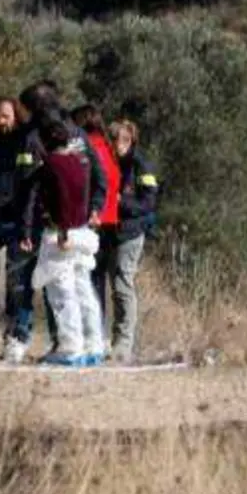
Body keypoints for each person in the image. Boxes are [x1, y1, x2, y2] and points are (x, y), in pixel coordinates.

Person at [5, 80, 107, 359]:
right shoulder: (78, 134)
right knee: (79, 285)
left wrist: (24, 228)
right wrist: (95, 208)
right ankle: (89, 343)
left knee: (47, 286)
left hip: (47, 224)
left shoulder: (33, 137)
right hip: (78, 224)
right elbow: (98, 175)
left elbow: (26, 187)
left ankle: (38, 341)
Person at [105, 117, 159, 364]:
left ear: (131, 141)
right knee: (114, 288)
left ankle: (124, 344)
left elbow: (148, 203)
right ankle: (114, 341)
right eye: (114, 139)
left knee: (122, 285)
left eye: (123, 140)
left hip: (131, 233)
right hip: (109, 232)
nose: (118, 145)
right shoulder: (106, 162)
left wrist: (121, 202)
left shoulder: (141, 166)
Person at [0, 96, 31, 363]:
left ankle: (16, 335)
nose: (0, 121)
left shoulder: (25, 141)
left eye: (5, 116)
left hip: (18, 220)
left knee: (17, 281)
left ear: (16, 116)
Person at [71, 104, 122, 328]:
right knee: (97, 278)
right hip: (110, 221)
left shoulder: (85, 147)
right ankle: (97, 329)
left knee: (87, 278)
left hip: (91, 219)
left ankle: (92, 330)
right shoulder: (108, 148)